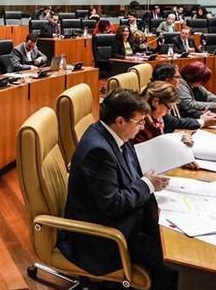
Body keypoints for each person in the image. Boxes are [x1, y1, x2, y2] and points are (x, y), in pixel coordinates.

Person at [58, 89, 178, 290]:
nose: (141, 127)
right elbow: (113, 204)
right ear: (120, 120)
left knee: (171, 242)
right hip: (103, 238)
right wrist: (147, 184)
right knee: (171, 263)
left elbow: (132, 171)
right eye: (139, 122)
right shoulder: (98, 150)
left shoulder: (115, 134)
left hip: (126, 221)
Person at [132, 81, 198, 169]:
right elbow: (146, 158)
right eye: (168, 108)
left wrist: (181, 140)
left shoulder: (156, 118)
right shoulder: (139, 124)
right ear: (155, 102)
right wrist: (177, 160)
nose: (168, 112)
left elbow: (160, 144)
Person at [151, 64, 216, 127]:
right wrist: (202, 121)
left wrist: (203, 115)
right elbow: (170, 121)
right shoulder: (157, 94)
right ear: (167, 80)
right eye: (177, 77)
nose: (180, 79)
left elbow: (185, 109)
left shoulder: (171, 91)